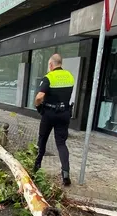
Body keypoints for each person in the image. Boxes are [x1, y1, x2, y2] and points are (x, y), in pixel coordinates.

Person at [33, 54, 74, 186]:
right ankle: (66, 173)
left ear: (51, 65)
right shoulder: (69, 76)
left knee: (42, 139)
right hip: (65, 113)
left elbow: (40, 96)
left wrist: (37, 105)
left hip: (49, 113)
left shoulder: (49, 77)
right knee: (61, 143)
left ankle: (36, 167)